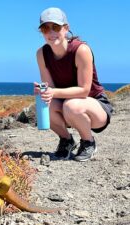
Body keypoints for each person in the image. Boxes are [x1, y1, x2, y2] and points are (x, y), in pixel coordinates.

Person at [34, 7, 113, 162]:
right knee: (43, 103)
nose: (51, 33)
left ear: (66, 28)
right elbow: (49, 88)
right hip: (67, 106)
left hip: (94, 108)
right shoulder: (41, 54)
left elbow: (84, 90)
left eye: (56, 27)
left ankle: (88, 142)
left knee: (72, 105)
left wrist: (53, 93)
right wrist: (43, 91)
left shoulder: (80, 50)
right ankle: (66, 140)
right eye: (45, 28)